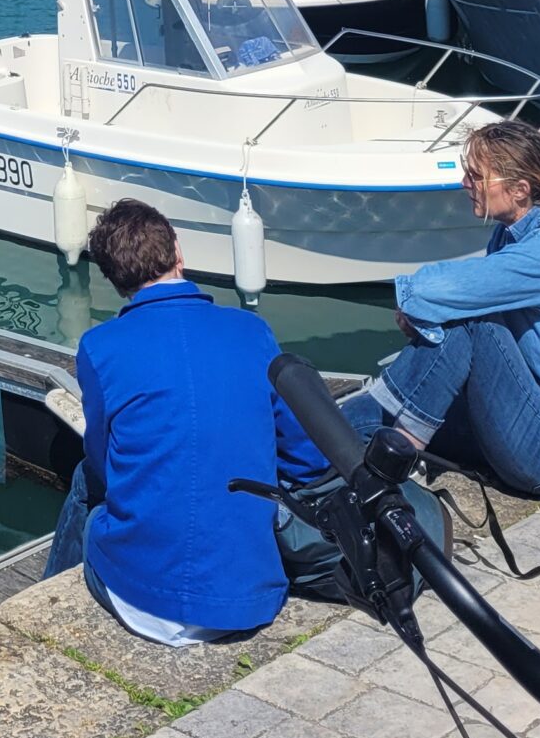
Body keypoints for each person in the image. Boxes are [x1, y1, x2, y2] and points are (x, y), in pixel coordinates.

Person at [43, 201, 329, 644]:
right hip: (250, 597)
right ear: (178, 251)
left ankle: (46, 601)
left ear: (115, 281)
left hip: (143, 603)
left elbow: (102, 467)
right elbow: (306, 457)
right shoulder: (252, 331)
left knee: (86, 479)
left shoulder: (100, 347)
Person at [339, 119, 540, 499]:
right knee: (360, 421)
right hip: (533, 421)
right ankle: (325, 445)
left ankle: (391, 448)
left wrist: (413, 306)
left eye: (476, 176)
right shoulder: (510, 235)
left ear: (519, 190)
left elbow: (432, 290)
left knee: (472, 319)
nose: (464, 183)